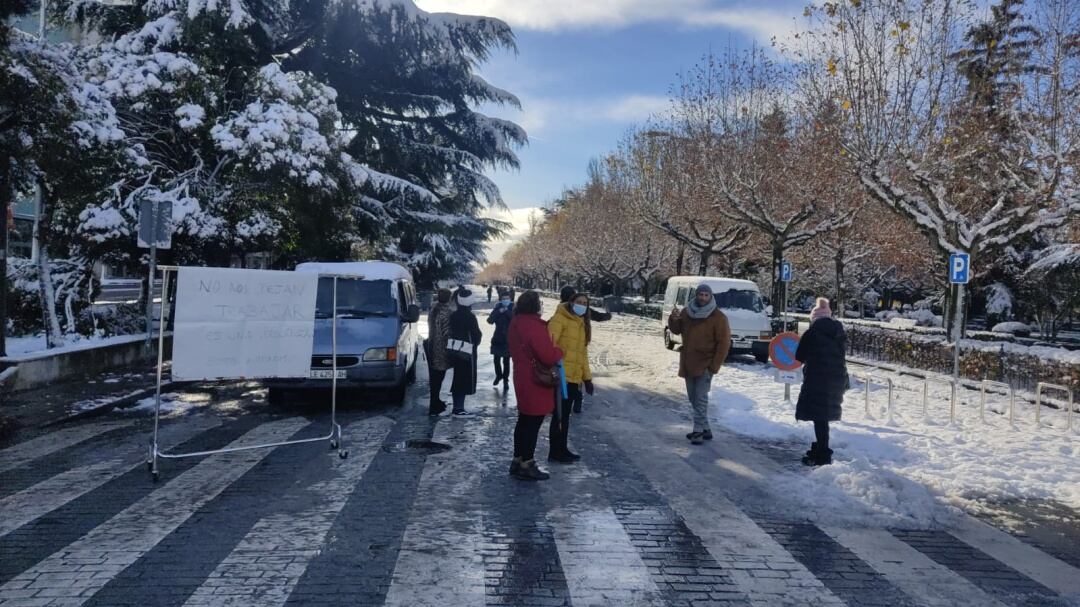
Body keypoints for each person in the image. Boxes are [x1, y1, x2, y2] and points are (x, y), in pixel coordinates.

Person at [508, 291, 564, 481]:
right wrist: (558, 351)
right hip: (535, 379)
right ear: (535, 306)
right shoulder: (533, 326)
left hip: (521, 375)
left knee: (523, 419)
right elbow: (547, 355)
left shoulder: (516, 322)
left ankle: (517, 459)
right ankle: (527, 463)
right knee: (533, 421)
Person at [668, 283, 731, 445]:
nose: (703, 298)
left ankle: (697, 431)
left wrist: (714, 366)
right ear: (696, 295)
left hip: (706, 363)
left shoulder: (718, 317)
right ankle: (706, 429)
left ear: (711, 297)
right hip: (688, 362)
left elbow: (724, 344)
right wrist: (673, 319)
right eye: (701, 294)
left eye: (706, 295)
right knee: (693, 398)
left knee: (700, 398)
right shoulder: (687, 312)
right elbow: (676, 330)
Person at [795, 298, 847, 466]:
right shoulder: (839, 333)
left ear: (814, 318)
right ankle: (820, 447)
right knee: (822, 416)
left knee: (819, 416)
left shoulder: (811, 333)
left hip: (817, 378)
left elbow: (799, 356)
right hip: (836, 378)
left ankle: (822, 453)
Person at [546, 291, 594, 463]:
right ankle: (555, 451)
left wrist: (587, 378)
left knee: (565, 415)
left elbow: (582, 354)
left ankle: (562, 448)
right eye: (579, 301)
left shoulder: (582, 323)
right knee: (559, 414)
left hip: (574, 377)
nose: (581, 305)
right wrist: (557, 363)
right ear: (571, 302)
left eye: (584, 302)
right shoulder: (560, 318)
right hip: (561, 375)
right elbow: (549, 344)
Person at [448, 287, 483, 416]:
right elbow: (476, 334)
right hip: (467, 350)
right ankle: (458, 408)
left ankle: (457, 406)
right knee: (464, 378)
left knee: (458, 377)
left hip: (455, 348)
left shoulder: (454, 315)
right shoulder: (470, 316)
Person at [426, 288, 453, 416]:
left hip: (431, 345)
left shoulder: (433, 309)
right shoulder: (446, 312)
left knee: (434, 377)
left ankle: (435, 401)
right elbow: (446, 333)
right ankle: (434, 404)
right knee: (439, 376)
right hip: (441, 348)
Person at [488, 289, 514, 391]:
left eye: (507, 298)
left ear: (510, 299)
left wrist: (506, 311)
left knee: (506, 361)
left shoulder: (513, 308)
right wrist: (499, 311)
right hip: (497, 338)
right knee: (496, 360)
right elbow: (490, 320)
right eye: (503, 299)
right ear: (500, 300)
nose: (505, 300)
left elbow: (515, 319)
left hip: (508, 339)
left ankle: (505, 379)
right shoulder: (497, 307)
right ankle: (499, 375)